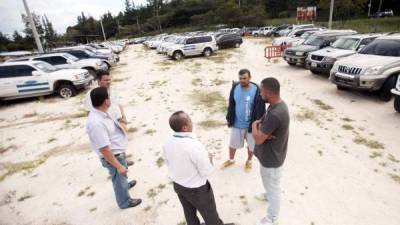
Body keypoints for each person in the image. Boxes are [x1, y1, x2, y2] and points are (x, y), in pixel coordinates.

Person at [163, 111, 234, 225]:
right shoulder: (194, 146)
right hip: (197, 190)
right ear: (185, 127)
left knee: (189, 213)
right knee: (210, 216)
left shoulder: (168, 141)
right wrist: (210, 160)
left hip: (178, 186)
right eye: (190, 121)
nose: (192, 123)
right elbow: (206, 171)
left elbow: (167, 161)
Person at [86, 87, 142, 209]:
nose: (110, 99)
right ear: (106, 101)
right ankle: (124, 202)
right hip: (113, 157)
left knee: (122, 177)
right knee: (119, 178)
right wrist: (119, 166)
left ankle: (125, 185)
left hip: (118, 152)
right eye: (109, 97)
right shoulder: (96, 123)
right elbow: (104, 149)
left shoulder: (102, 113)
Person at [252, 77, 290, 225]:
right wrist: (262, 131)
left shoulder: (275, 113)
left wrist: (255, 126)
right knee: (267, 183)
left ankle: (272, 218)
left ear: (268, 92)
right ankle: (267, 194)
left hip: (272, 160)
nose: (260, 94)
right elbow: (264, 126)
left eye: (261, 91)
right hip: (268, 157)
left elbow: (258, 139)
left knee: (274, 188)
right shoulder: (275, 106)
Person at [222, 69, 265, 171]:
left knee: (251, 146)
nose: (242, 80)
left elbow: (261, 108)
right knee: (232, 144)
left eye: (244, 78)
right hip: (237, 124)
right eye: (240, 78)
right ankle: (231, 160)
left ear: (250, 78)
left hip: (251, 126)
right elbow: (231, 105)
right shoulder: (235, 88)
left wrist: (259, 124)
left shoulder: (256, 90)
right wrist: (229, 118)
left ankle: (249, 161)